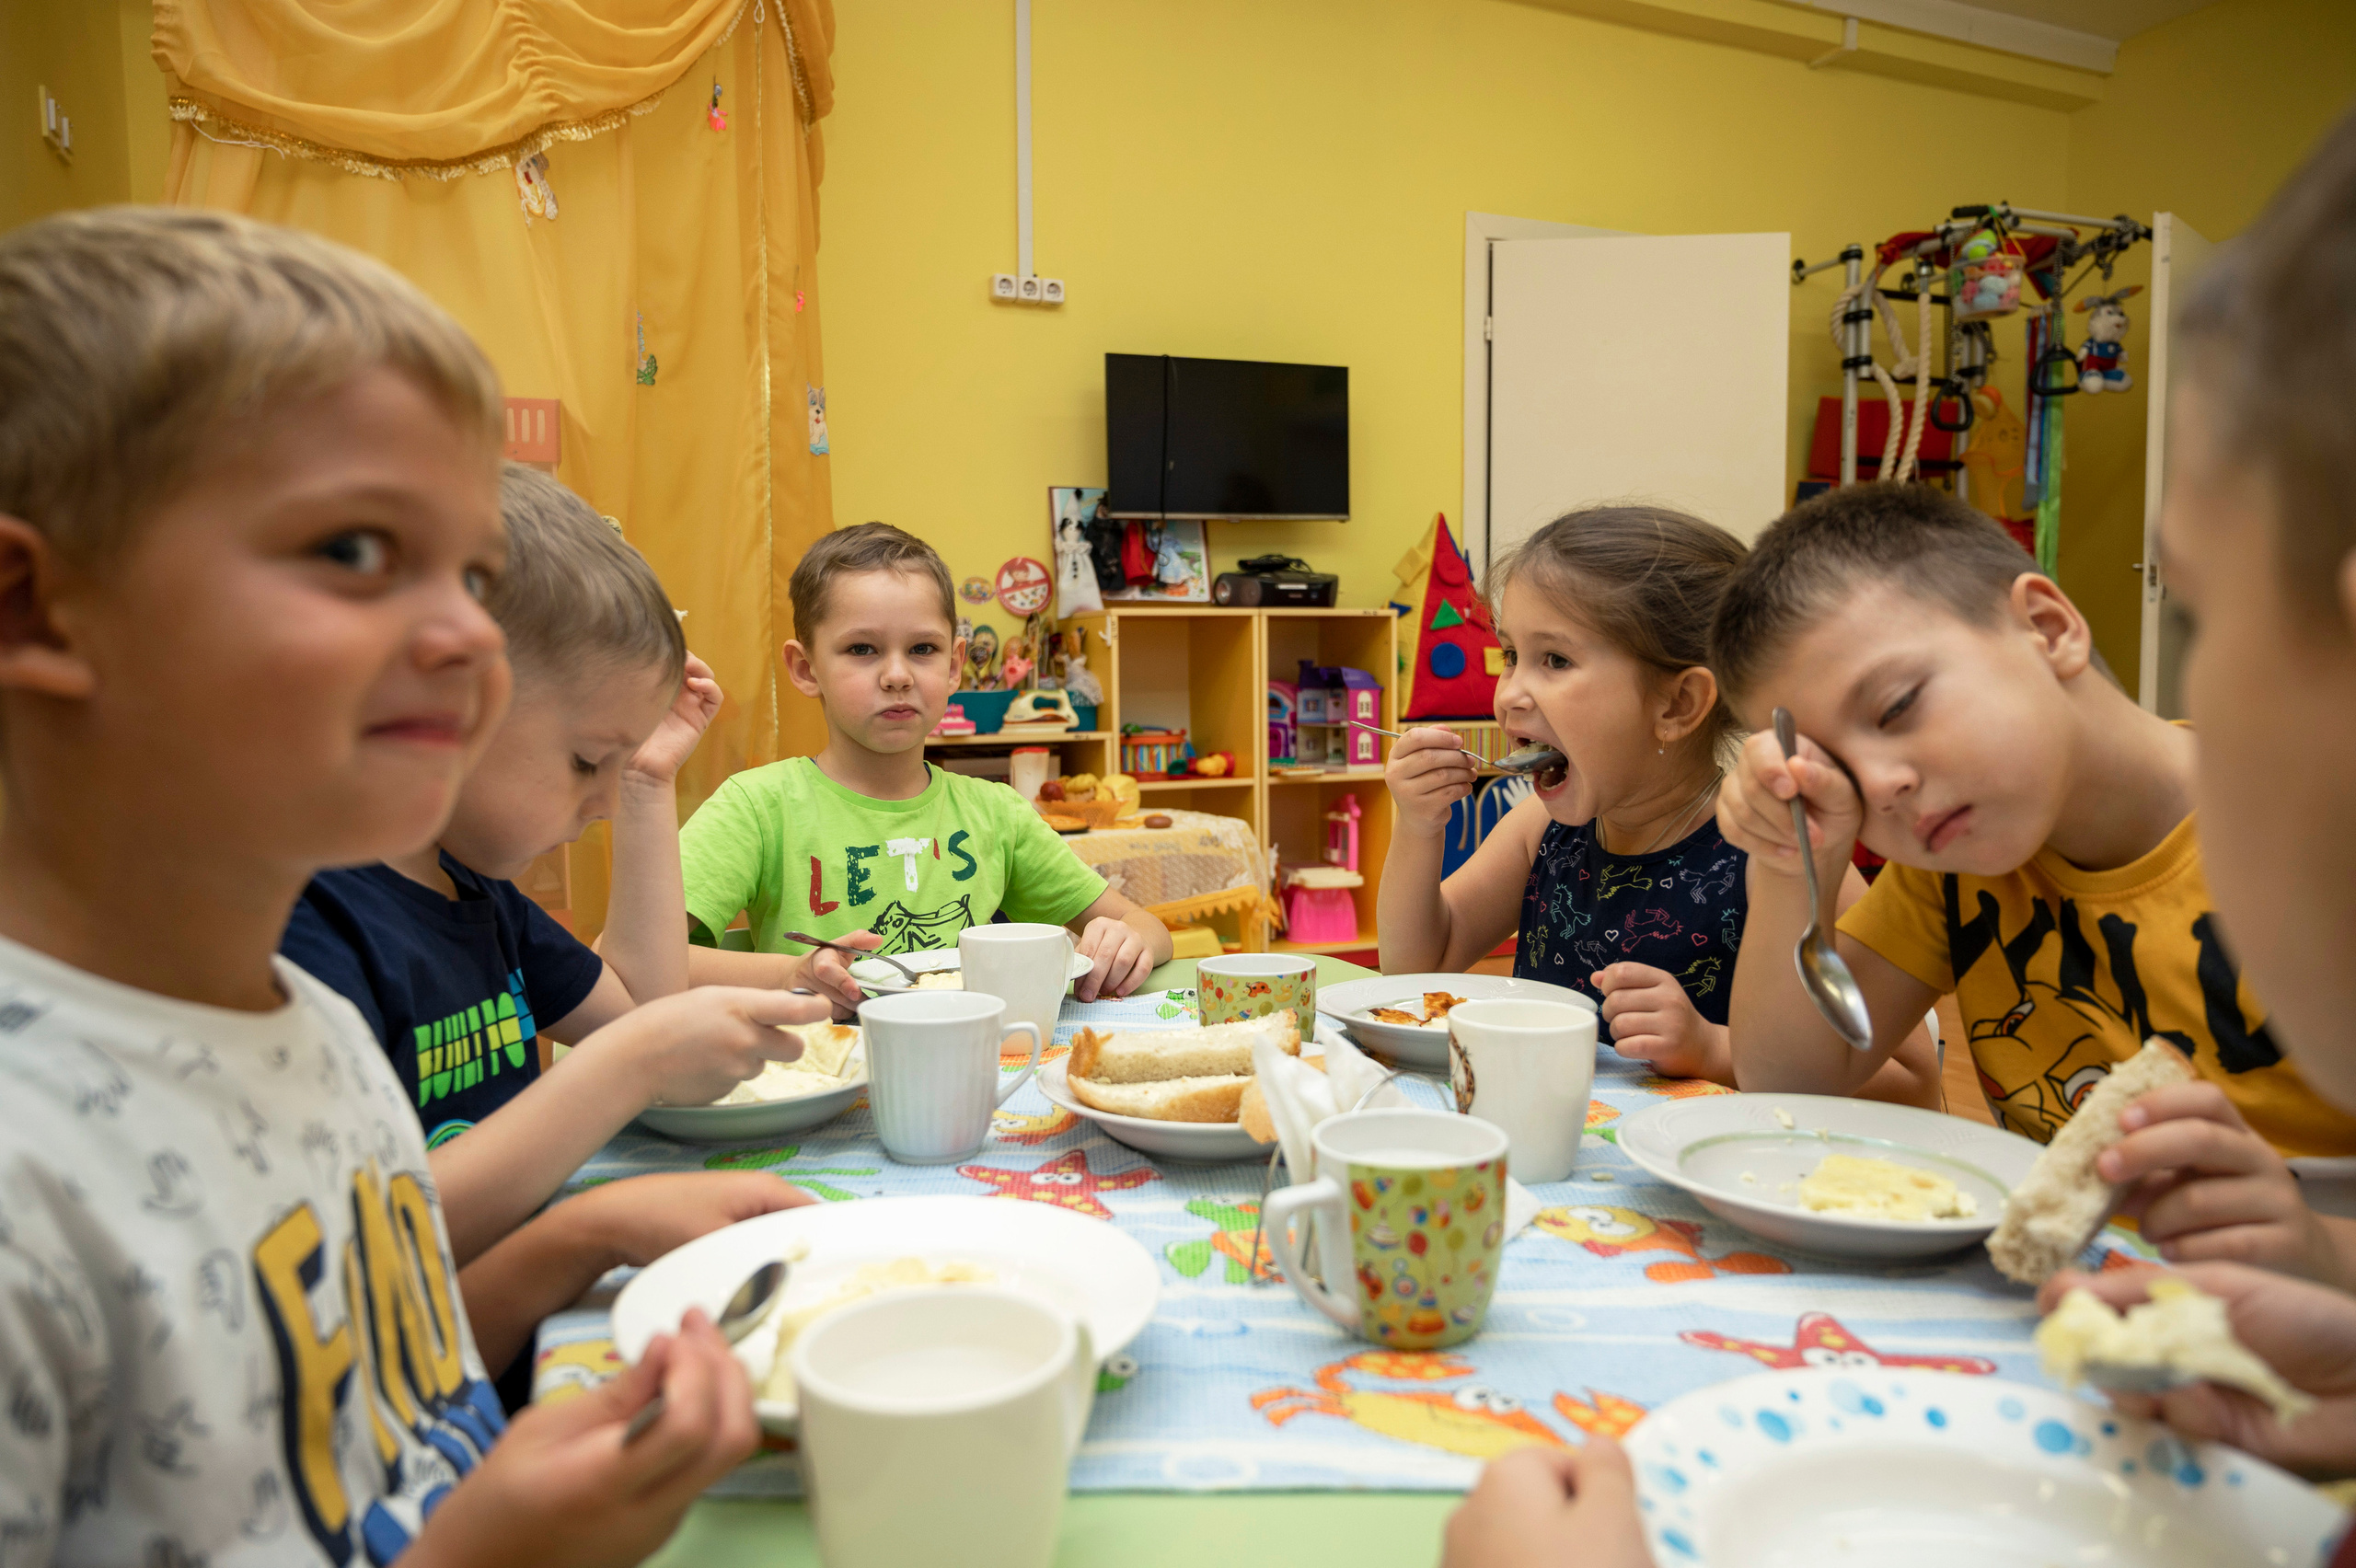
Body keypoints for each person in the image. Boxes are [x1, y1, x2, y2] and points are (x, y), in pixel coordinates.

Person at [0, 207, 752, 1566]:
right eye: (355, 551)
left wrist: (583, 1241)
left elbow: (355, 1373)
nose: (471, 631)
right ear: (35, 610)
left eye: (469, 571)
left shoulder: (312, 1028)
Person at [1709, 482, 2356, 1286]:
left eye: (1899, 705)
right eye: (1835, 768)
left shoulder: (2317, 840)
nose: (1880, 785)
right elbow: (1790, 1082)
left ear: (2049, 629)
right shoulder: (1952, 871)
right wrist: (1791, 861)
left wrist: (2322, 1251)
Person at [280, 462, 829, 1399]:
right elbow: (358, 1242)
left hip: (499, 1346)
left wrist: (651, 782)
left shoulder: (475, 893)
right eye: (586, 761)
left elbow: (637, 1008)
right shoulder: (310, 923)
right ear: (439, 703)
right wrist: (636, 1065)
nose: (601, 804)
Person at [1378, 504, 1937, 1100]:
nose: (1510, 693)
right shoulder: (1539, 829)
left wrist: (1714, 1049)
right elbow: (1415, 967)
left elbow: (1915, 1083)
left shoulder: (1775, 855)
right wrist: (1418, 826)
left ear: (1677, 706)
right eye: (1511, 655)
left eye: (1556, 660)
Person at [679, 522, 1172, 999]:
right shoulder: (757, 806)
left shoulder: (996, 813)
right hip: (827, 1067)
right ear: (807, 669)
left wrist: (1128, 940)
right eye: (862, 649)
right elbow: (642, 962)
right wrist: (793, 974)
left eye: (922, 649)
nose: (897, 675)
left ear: (954, 664)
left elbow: (1148, 927)